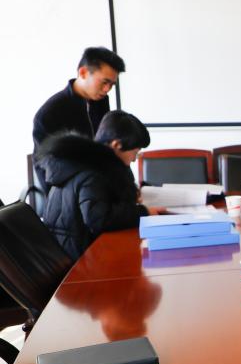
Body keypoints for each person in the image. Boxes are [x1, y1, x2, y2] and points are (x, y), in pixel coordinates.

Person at [36, 110, 161, 261]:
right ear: (116, 145)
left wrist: (130, 196)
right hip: (80, 258)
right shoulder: (93, 173)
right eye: (135, 152)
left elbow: (101, 202)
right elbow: (99, 219)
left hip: (72, 249)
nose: (134, 159)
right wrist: (143, 212)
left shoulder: (84, 162)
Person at [33, 47, 125, 186]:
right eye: (104, 82)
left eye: (112, 84)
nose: (107, 89)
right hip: (70, 190)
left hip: (99, 183)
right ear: (83, 72)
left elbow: (104, 146)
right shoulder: (50, 112)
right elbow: (46, 167)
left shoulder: (100, 101)